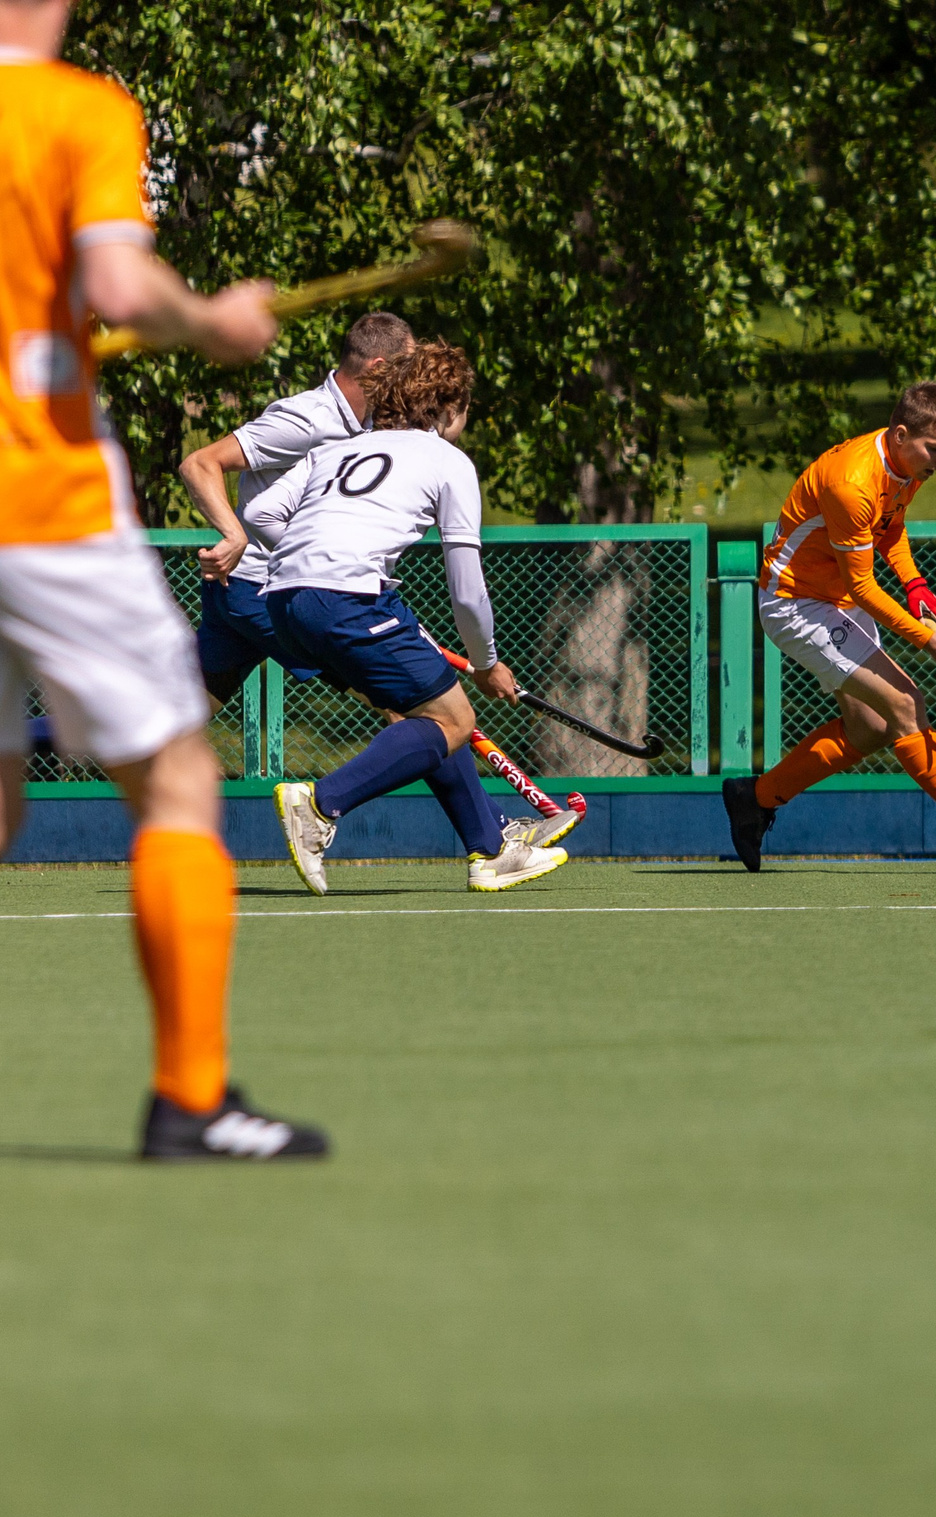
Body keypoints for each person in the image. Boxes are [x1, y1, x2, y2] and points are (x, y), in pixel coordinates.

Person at [0, 0, 328, 1158]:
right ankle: (192, 1100)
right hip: (39, 505)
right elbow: (124, 288)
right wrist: (214, 322)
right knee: (178, 780)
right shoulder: (73, 110)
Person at [257, 341, 569, 896]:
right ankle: (320, 804)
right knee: (454, 720)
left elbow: (262, 512)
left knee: (427, 713)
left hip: (283, 601)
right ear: (449, 407)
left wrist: (319, 558)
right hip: (348, 599)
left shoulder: (339, 449)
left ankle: (490, 849)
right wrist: (486, 662)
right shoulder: (448, 461)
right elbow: (467, 591)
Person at [720, 381, 936, 873]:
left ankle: (755, 798)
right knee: (905, 704)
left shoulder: (905, 465)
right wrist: (929, 639)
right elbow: (862, 588)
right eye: (935, 449)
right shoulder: (852, 484)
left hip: (834, 597)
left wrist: (915, 584)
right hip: (796, 604)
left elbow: (890, 527)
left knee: (872, 727)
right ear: (900, 434)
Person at [179, 311, 413, 707]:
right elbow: (200, 463)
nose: (412, 379)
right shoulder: (308, 419)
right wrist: (233, 535)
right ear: (379, 368)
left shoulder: (368, 424)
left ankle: (63, 736)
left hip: (245, 588)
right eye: (407, 367)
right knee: (402, 700)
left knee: (178, 717)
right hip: (262, 592)